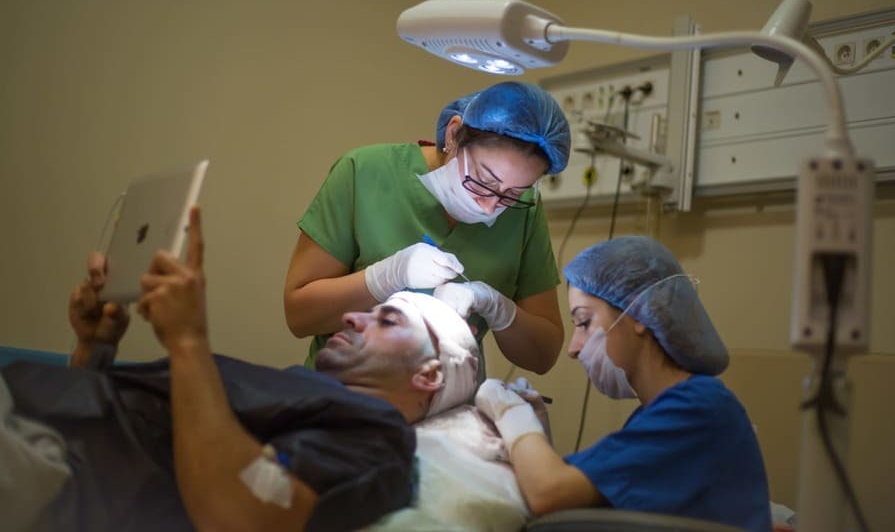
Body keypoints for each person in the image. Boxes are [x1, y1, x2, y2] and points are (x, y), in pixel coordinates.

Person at [1, 206, 481, 532]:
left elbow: (247, 516)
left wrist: (188, 340)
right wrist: (95, 348)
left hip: (51, 467)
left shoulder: (378, 438)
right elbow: (128, 423)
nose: (354, 315)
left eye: (388, 319)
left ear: (430, 375)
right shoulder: (298, 390)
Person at [474, 236, 772, 532]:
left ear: (638, 313)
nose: (573, 349)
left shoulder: (699, 409)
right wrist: (536, 431)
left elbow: (550, 494)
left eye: (584, 322)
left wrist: (511, 413)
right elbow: (580, 499)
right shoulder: (655, 414)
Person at [284, 81, 571, 375]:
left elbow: (543, 355)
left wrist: (496, 308)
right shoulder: (364, 172)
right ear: (454, 134)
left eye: (512, 194)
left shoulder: (525, 213)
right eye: (484, 181)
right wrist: (385, 276)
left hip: (448, 405)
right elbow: (299, 316)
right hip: (341, 398)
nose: (489, 207)